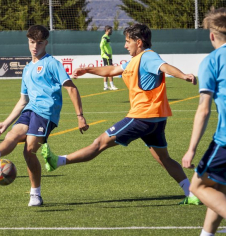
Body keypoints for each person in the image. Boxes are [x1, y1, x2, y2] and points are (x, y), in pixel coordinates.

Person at [42, 23, 201, 205]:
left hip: (142, 117)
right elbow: (112, 70)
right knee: (163, 158)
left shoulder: (148, 57)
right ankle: (191, 194)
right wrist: (88, 70)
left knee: (99, 143)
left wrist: (184, 76)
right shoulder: (134, 60)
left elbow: (164, 67)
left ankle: (58, 161)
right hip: (156, 119)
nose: (125, 46)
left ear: (139, 42)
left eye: (127, 42)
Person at [0, 25, 89, 206]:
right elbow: (23, 100)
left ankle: (35, 194)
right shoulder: (28, 68)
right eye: (31, 42)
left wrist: (80, 116)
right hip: (29, 110)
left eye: (39, 43)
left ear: (46, 43)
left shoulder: (52, 63)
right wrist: (5, 123)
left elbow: (71, 88)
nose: (34, 46)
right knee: (12, 135)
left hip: (46, 113)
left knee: (29, 150)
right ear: (28, 42)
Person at [182, 8, 226, 236]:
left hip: (225, 139)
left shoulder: (212, 60)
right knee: (219, 189)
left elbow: (203, 109)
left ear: (211, 36)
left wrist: (191, 150)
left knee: (197, 186)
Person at [100, 25, 118, 90]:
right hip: (107, 56)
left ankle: (105, 86)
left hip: (107, 56)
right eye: (111, 30)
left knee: (106, 70)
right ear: (107, 30)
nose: (111, 31)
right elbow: (101, 45)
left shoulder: (107, 37)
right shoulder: (105, 37)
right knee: (110, 70)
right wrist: (106, 53)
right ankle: (112, 86)